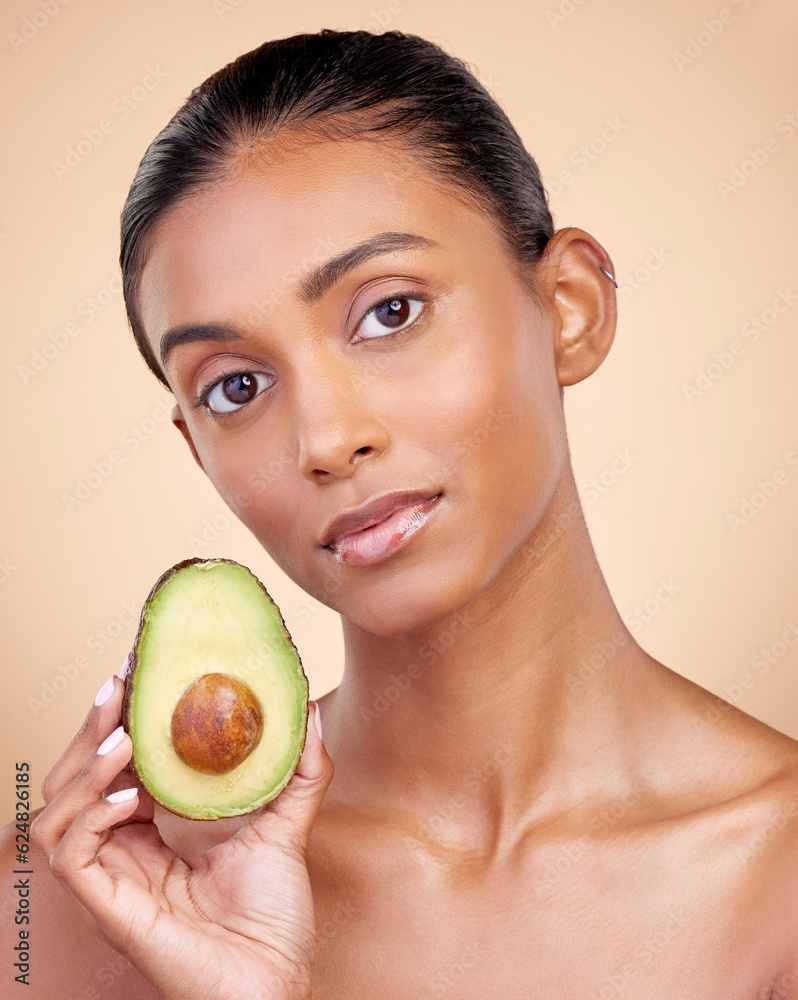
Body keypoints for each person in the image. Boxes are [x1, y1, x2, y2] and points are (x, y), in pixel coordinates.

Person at [3, 26, 798, 1000]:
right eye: (238, 384)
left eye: (389, 311)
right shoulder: (70, 905)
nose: (327, 438)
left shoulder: (777, 880)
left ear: (571, 308)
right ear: (196, 448)